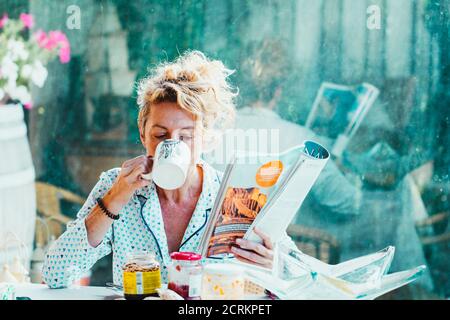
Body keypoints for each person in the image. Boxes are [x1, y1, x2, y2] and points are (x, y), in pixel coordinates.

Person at [42, 51, 295, 288]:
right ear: (143, 135)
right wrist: (114, 199)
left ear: (205, 138)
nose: (171, 145)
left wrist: (273, 266)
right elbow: (55, 275)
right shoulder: (117, 186)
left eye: (185, 136)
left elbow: (301, 277)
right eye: (161, 134)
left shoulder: (234, 197)